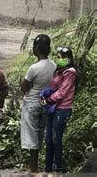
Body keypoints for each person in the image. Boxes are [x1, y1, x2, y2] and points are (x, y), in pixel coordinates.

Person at [20, 34, 56, 173]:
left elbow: (24, 86)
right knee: (42, 134)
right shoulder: (53, 66)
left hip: (32, 104)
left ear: (36, 48)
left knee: (31, 135)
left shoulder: (34, 68)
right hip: (46, 104)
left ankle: (32, 167)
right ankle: (44, 165)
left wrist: (25, 86)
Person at [41, 47, 77, 173]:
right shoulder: (59, 71)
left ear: (68, 59)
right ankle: (48, 166)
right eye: (58, 57)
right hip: (53, 108)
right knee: (49, 138)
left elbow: (62, 92)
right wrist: (44, 96)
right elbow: (52, 86)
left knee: (56, 138)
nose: (59, 59)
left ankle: (58, 166)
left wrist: (49, 99)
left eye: (61, 57)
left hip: (62, 109)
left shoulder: (70, 73)